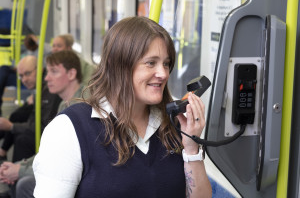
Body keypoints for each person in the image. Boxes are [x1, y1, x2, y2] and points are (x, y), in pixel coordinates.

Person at [33, 16, 212, 198]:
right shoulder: (69, 129)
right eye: (151, 63)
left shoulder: (173, 125)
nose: (163, 73)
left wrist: (191, 148)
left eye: (166, 64)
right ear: (118, 66)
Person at [0, 50, 85, 198]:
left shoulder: (81, 107)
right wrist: (21, 165)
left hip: (75, 171)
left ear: (71, 74)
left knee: (24, 184)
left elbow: (62, 158)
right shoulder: (64, 106)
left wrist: (20, 170)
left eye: (54, 72)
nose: (46, 77)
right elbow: (51, 150)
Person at [0, 55, 61, 162]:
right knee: (17, 118)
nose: (24, 80)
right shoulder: (40, 88)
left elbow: (44, 127)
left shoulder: (50, 90)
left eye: (27, 74)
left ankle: (15, 174)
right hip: (41, 127)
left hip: (50, 136)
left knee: (22, 139)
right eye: (21, 76)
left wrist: (12, 126)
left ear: (40, 69)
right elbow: (34, 119)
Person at [0, 34, 52, 115]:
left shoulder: (43, 51)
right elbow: (19, 61)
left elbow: (51, 49)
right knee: (4, 68)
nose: (28, 47)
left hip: (33, 76)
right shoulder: (28, 52)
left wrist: (37, 40)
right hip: (24, 73)